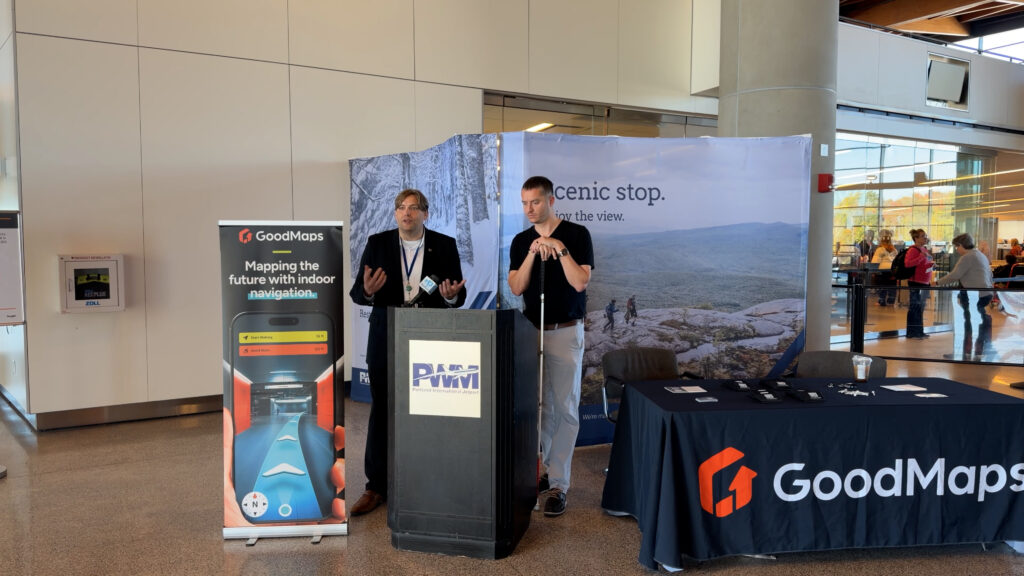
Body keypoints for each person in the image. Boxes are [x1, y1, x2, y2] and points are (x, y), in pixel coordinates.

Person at [348, 189, 467, 516]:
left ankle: (429, 481)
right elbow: (358, 291)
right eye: (401, 207)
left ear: (425, 214)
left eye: (414, 208)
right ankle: (376, 487)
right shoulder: (378, 243)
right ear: (395, 213)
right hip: (386, 334)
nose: (406, 213)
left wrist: (451, 296)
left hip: (429, 334)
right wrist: (368, 292)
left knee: (429, 410)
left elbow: (459, 292)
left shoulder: (444, 245)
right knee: (383, 409)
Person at [508, 176, 594, 517]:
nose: (530, 209)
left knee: (566, 408)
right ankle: (539, 473)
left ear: (551, 200)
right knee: (538, 406)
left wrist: (558, 249)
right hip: (532, 332)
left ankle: (559, 483)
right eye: (525, 203)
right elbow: (516, 286)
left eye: (536, 203)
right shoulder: (520, 240)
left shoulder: (576, 235)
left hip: (565, 331)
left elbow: (580, 281)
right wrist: (532, 253)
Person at [936, 233, 994, 358]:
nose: (956, 250)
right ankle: (976, 351)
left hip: (975, 295)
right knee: (976, 321)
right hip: (985, 293)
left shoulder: (968, 257)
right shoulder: (979, 254)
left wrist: (937, 282)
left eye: (957, 247)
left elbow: (955, 275)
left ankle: (966, 352)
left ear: (961, 245)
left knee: (968, 323)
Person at [904, 229, 934, 340]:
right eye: (922, 236)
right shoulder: (913, 250)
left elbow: (925, 263)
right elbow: (908, 264)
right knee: (915, 307)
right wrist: (921, 257)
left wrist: (931, 265)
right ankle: (912, 332)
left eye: (925, 236)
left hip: (925, 282)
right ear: (916, 238)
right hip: (916, 282)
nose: (925, 238)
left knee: (920, 307)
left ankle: (919, 331)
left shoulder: (924, 249)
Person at [871, 230, 898, 306]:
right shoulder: (894, 250)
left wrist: (873, 272)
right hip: (892, 270)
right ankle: (891, 300)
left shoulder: (879, 249)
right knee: (892, 286)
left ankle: (882, 300)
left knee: (882, 285)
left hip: (882, 270)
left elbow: (875, 261)